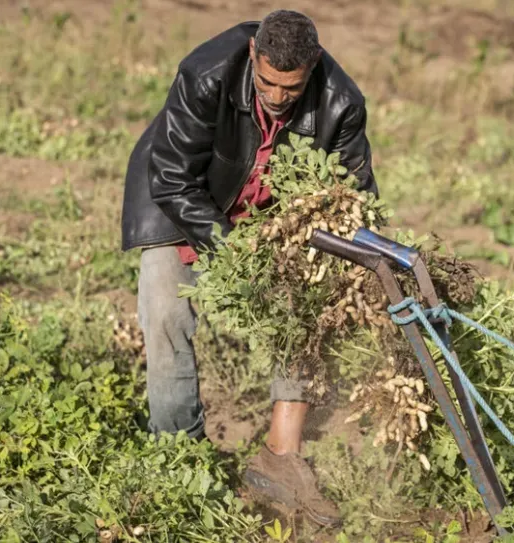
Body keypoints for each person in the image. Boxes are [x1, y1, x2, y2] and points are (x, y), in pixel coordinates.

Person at [119, 10, 376, 527]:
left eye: (292, 87)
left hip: (270, 219)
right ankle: (178, 456)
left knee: (311, 303)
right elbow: (171, 176)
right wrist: (228, 248)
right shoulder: (206, 72)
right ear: (254, 55)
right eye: (267, 83)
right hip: (186, 202)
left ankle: (281, 456)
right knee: (165, 313)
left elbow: (354, 197)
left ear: (314, 65)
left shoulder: (341, 102)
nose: (278, 98)